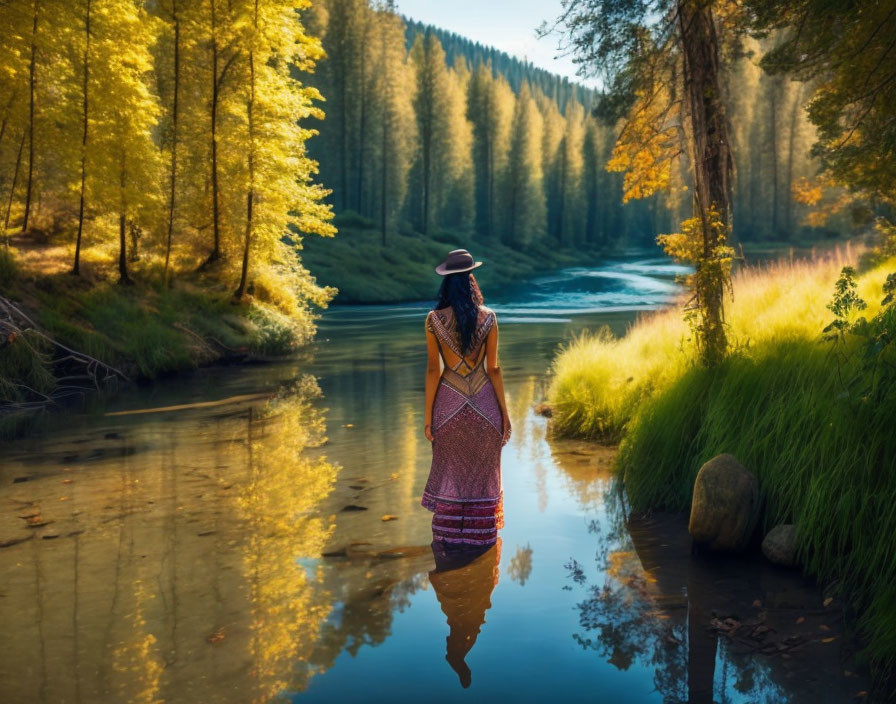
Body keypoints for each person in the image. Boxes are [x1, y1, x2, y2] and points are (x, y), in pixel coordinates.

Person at [421, 248, 510, 547]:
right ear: (471, 279)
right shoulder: (489, 318)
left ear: (446, 281)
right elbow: (494, 370)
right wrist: (505, 416)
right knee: (483, 477)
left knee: (450, 474)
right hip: (486, 409)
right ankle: (480, 544)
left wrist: (427, 419)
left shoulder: (433, 320)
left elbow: (434, 370)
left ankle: (449, 542)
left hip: (447, 409)